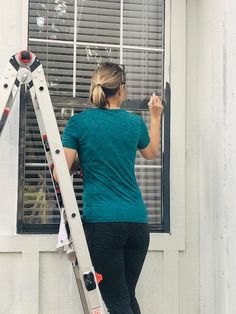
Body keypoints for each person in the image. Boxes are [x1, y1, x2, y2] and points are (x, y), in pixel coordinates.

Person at [60, 62, 163, 314]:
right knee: (127, 297)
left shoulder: (79, 123)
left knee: (117, 302)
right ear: (121, 89)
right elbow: (151, 153)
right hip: (137, 224)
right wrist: (155, 116)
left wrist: (83, 161)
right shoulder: (133, 123)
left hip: (104, 225)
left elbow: (59, 171)